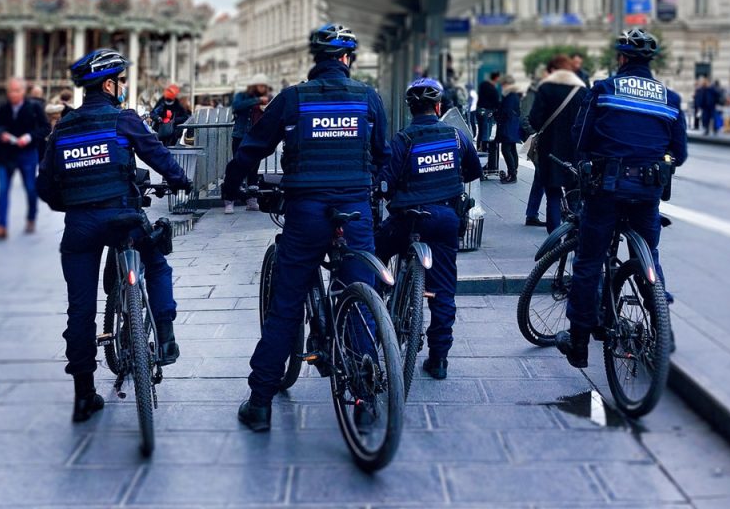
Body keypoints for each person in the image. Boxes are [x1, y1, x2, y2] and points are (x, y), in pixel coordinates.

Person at [221, 24, 390, 432]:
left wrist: (232, 185)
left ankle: (260, 402)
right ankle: (365, 398)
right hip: (354, 211)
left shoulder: (294, 98)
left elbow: (252, 148)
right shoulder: (369, 98)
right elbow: (383, 154)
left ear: (316, 60)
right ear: (347, 60)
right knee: (360, 294)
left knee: (286, 304)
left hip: (305, 211)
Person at [36, 49, 191, 423]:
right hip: (123, 217)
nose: (122, 88)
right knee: (155, 264)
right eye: (120, 82)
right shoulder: (124, 119)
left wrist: (71, 204)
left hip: (81, 228)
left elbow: (44, 185)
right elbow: (159, 156)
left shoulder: (64, 128)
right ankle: (166, 337)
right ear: (109, 85)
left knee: (81, 309)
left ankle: (84, 396)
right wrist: (179, 181)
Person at [555, 28, 688, 369]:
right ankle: (662, 328)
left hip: (606, 191)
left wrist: (587, 159)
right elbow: (679, 153)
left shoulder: (603, 90)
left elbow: (580, 138)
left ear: (622, 58)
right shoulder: (669, 99)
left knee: (588, 261)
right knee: (649, 256)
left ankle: (579, 342)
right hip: (647, 193)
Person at [375, 79, 482, 379]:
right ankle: (438, 360)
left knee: (374, 254)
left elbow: (386, 183)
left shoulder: (403, 140)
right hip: (446, 220)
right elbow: (474, 170)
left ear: (411, 109)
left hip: (407, 221)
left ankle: (374, 306)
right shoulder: (457, 136)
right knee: (444, 290)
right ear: (438, 107)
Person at [529, 54, 588, 233]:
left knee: (553, 194)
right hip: (575, 149)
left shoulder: (546, 89)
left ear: (553, 70)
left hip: (551, 149)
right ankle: (575, 235)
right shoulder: (582, 90)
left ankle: (554, 237)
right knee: (575, 195)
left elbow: (534, 119)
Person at [0, 77, 50, 240]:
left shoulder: (34, 107)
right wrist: (1, 134)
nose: (13, 94)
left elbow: (45, 128)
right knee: (2, 190)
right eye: (10, 91)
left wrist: (29, 137)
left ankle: (31, 217)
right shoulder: (3, 107)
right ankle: (1, 226)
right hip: (6, 154)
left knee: (30, 189)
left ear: (23, 91)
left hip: (27, 153)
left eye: (16, 91)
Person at [226, 74, 270, 213]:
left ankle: (251, 200)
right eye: (260, 85)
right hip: (240, 135)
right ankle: (229, 200)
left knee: (253, 169)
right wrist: (256, 100)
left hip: (256, 136)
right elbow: (236, 106)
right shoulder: (243, 96)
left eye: (264, 86)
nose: (263, 89)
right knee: (237, 166)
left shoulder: (267, 98)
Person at [521, 66, 547, 227]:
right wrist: (537, 132)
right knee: (542, 178)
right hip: (540, 141)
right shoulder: (532, 93)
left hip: (545, 140)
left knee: (540, 179)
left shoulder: (544, 92)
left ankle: (532, 214)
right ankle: (532, 214)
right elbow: (524, 118)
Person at [495, 75, 523, 184]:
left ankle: (512, 174)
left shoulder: (509, 96)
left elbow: (506, 111)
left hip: (508, 126)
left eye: (503, 84)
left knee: (506, 150)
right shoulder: (515, 95)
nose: (501, 86)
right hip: (513, 125)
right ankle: (513, 172)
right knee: (512, 149)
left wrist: (497, 115)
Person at [476, 72, 502, 150]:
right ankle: (484, 148)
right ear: (496, 78)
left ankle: (479, 147)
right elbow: (496, 102)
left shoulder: (482, 85)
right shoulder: (492, 89)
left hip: (480, 110)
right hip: (488, 111)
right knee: (486, 131)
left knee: (481, 130)